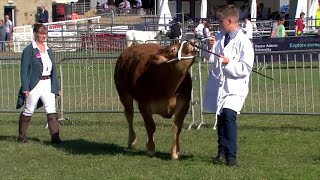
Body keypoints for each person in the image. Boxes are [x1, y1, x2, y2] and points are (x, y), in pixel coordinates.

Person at [203, 4, 254, 167]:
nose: (218, 23)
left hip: (234, 87)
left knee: (228, 117)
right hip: (219, 86)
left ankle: (231, 157)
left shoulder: (244, 42)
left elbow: (246, 68)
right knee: (220, 117)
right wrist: (209, 46)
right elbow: (207, 58)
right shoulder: (219, 37)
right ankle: (221, 152)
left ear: (230, 21)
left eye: (220, 20)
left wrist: (229, 63)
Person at [16, 23, 62, 144]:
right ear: (35, 34)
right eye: (41, 33)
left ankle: (55, 137)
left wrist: (56, 87)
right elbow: (24, 70)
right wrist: (25, 87)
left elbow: (54, 69)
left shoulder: (48, 49)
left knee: (51, 109)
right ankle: (22, 135)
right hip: (35, 84)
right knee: (29, 109)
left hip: (48, 83)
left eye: (45, 33)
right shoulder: (29, 50)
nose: (44, 36)